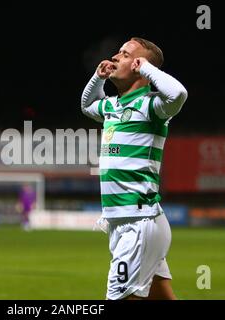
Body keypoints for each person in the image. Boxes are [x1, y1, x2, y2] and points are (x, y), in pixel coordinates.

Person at [81, 37, 187, 300]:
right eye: (118, 52)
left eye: (126, 55)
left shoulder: (152, 106)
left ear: (140, 67)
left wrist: (148, 68)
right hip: (123, 223)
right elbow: (86, 106)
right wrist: (97, 78)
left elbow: (179, 94)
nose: (116, 57)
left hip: (139, 223)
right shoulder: (112, 107)